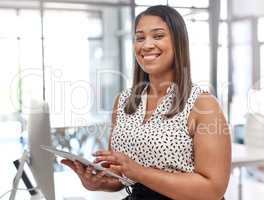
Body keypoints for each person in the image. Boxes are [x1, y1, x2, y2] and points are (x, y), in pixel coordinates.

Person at [62, 5, 231, 200]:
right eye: (140, 38)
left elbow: (213, 189)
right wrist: (100, 183)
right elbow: (123, 175)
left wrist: (138, 171)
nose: (146, 45)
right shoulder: (124, 101)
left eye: (158, 36)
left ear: (178, 42)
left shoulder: (203, 105)